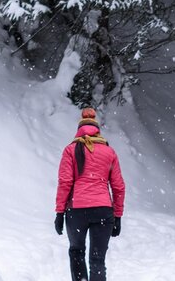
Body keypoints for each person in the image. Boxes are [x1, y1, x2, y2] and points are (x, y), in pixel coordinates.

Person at [54, 108, 126, 281]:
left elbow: (65, 183)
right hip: (103, 210)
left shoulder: (70, 150)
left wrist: (59, 212)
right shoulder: (109, 152)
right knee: (97, 259)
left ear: (79, 130)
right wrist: (117, 216)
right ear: (97, 130)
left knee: (77, 252)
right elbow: (118, 187)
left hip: (77, 211)